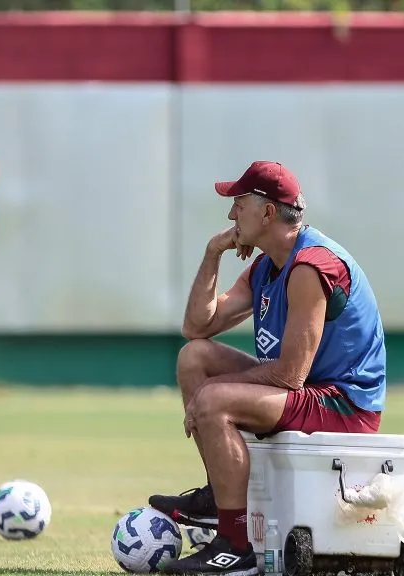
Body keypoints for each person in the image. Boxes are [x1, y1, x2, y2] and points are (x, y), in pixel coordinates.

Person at [149, 161, 386, 576]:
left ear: (267, 212)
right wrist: (212, 253)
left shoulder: (310, 266)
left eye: (238, 203)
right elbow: (197, 327)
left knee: (215, 400)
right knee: (195, 358)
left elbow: (290, 375)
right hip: (307, 393)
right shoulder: (266, 265)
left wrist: (212, 394)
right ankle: (216, 499)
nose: (230, 215)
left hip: (345, 406)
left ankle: (235, 547)